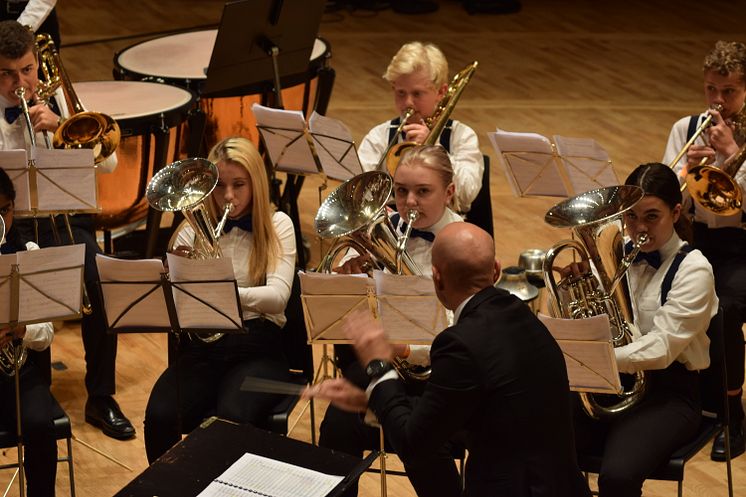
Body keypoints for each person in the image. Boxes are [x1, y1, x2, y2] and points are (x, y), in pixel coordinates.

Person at [306, 222, 591, 497]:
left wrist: (378, 368)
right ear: (495, 271)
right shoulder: (522, 314)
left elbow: (412, 444)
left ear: (437, 278)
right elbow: (462, 410)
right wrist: (368, 399)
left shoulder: (459, 344)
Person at [0, 20, 135, 440]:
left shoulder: (57, 97)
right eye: (6, 73)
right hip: (11, 226)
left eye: (26, 70)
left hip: (65, 222)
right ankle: (35, 391)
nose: (19, 82)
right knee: (21, 295)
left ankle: (101, 397)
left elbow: (109, 162)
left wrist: (59, 127)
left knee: (99, 282)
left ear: (37, 63)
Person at [320, 144, 464, 497]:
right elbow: (347, 314)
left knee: (423, 441)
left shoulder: (464, 243)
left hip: (442, 375)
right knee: (335, 428)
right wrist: (354, 283)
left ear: (449, 193)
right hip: (385, 366)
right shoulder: (385, 228)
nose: (409, 201)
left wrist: (404, 347)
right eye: (401, 191)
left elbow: (462, 332)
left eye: (423, 191)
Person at [143, 136, 297, 463]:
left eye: (239, 184)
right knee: (159, 414)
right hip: (203, 351)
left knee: (231, 418)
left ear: (256, 182)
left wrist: (220, 293)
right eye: (219, 186)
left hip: (258, 349)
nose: (229, 196)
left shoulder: (278, 225)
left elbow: (277, 298)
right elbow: (177, 306)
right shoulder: (190, 232)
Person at [571, 163, 718, 497]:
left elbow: (662, 348)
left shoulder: (694, 270)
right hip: (611, 384)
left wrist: (598, 359)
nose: (639, 228)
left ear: (676, 211)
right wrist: (571, 291)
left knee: (618, 476)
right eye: (631, 216)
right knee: (536, 443)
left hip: (670, 394)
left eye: (652, 217)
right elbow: (590, 323)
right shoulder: (613, 254)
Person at [662, 40, 746, 461]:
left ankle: (732, 417)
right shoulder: (686, 128)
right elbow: (666, 202)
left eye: (728, 91)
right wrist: (687, 173)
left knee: (725, 311)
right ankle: (681, 403)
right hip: (698, 240)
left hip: (744, 248)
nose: (717, 101)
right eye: (711, 89)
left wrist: (733, 156)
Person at [357, 41, 484, 214]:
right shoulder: (379, 136)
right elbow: (358, 193)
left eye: (417, 94)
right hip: (391, 225)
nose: (408, 102)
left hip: (446, 231)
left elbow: (468, 193)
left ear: (441, 92)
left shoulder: (461, 136)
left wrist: (434, 149)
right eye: (401, 93)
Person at [0, 166, 57, 496]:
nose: (0, 220)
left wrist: (21, 328)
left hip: (19, 370)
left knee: (39, 424)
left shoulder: (28, 253)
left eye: (5, 210)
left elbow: (46, 333)